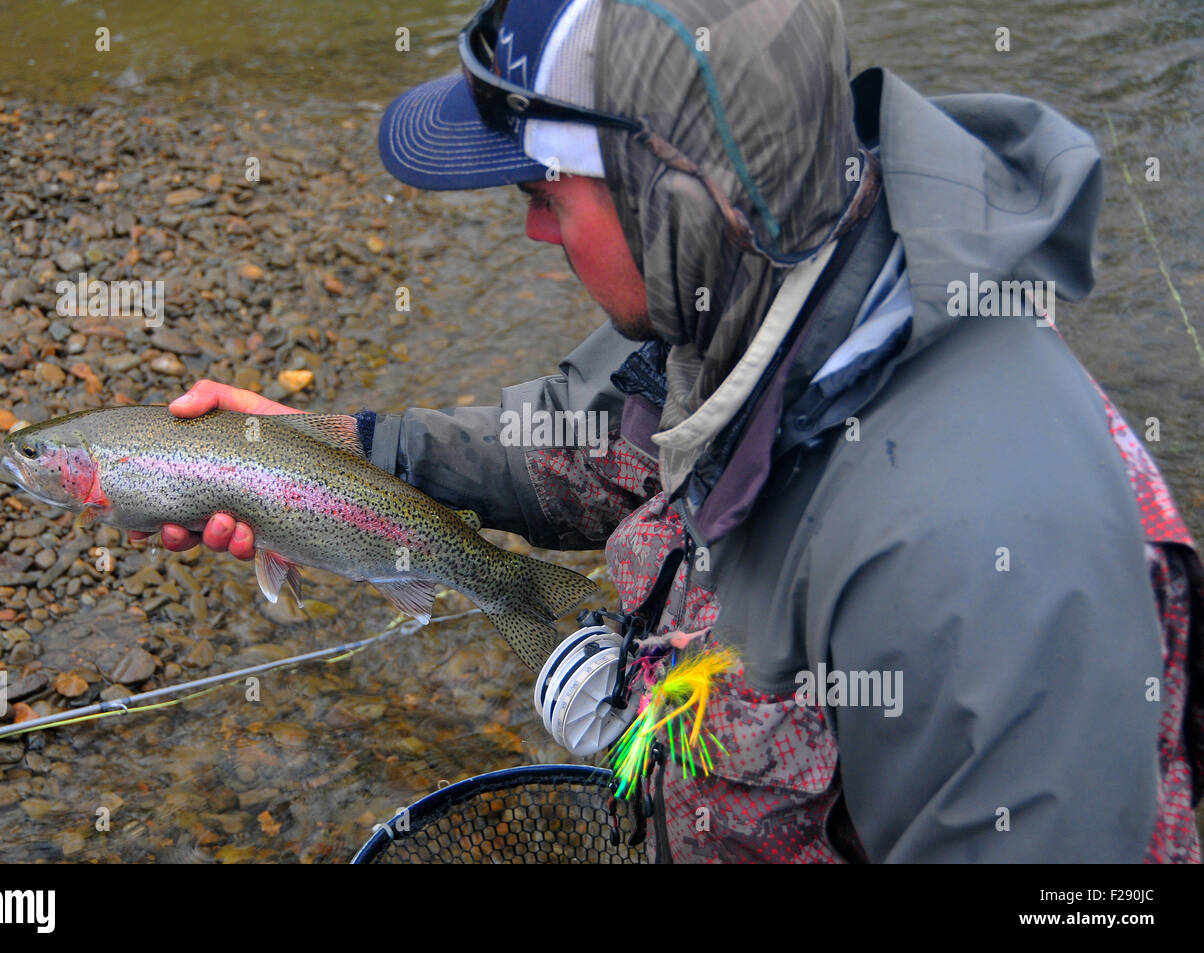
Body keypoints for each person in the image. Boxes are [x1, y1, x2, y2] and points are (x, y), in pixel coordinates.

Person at [137, 0, 1203, 862]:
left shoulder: (992, 566)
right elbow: (601, 437)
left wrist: (674, 736)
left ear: (683, 203)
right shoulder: (765, 279)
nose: (531, 224)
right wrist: (339, 452)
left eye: (545, 186)